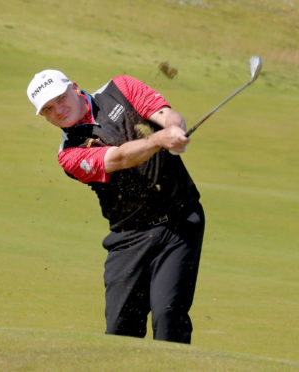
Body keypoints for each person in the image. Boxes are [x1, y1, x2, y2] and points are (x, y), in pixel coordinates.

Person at [26, 69, 204, 344]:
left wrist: (174, 129)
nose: (59, 110)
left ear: (74, 87)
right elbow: (120, 158)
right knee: (120, 332)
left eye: (61, 99)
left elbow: (166, 114)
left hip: (179, 223)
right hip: (129, 238)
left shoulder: (121, 88)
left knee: (168, 318)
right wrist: (159, 140)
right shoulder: (70, 154)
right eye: (48, 109)